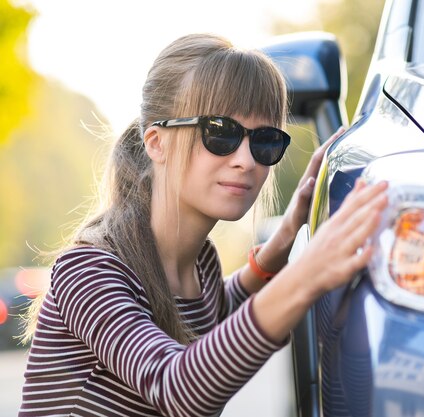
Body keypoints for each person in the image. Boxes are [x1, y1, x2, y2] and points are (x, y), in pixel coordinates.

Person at [19, 32, 388, 416]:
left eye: (264, 141)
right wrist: (307, 274)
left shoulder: (202, 265)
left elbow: (217, 316)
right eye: (220, 132)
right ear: (156, 142)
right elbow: (175, 386)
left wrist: (287, 237)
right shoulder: (91, 269)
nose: (246, 160)